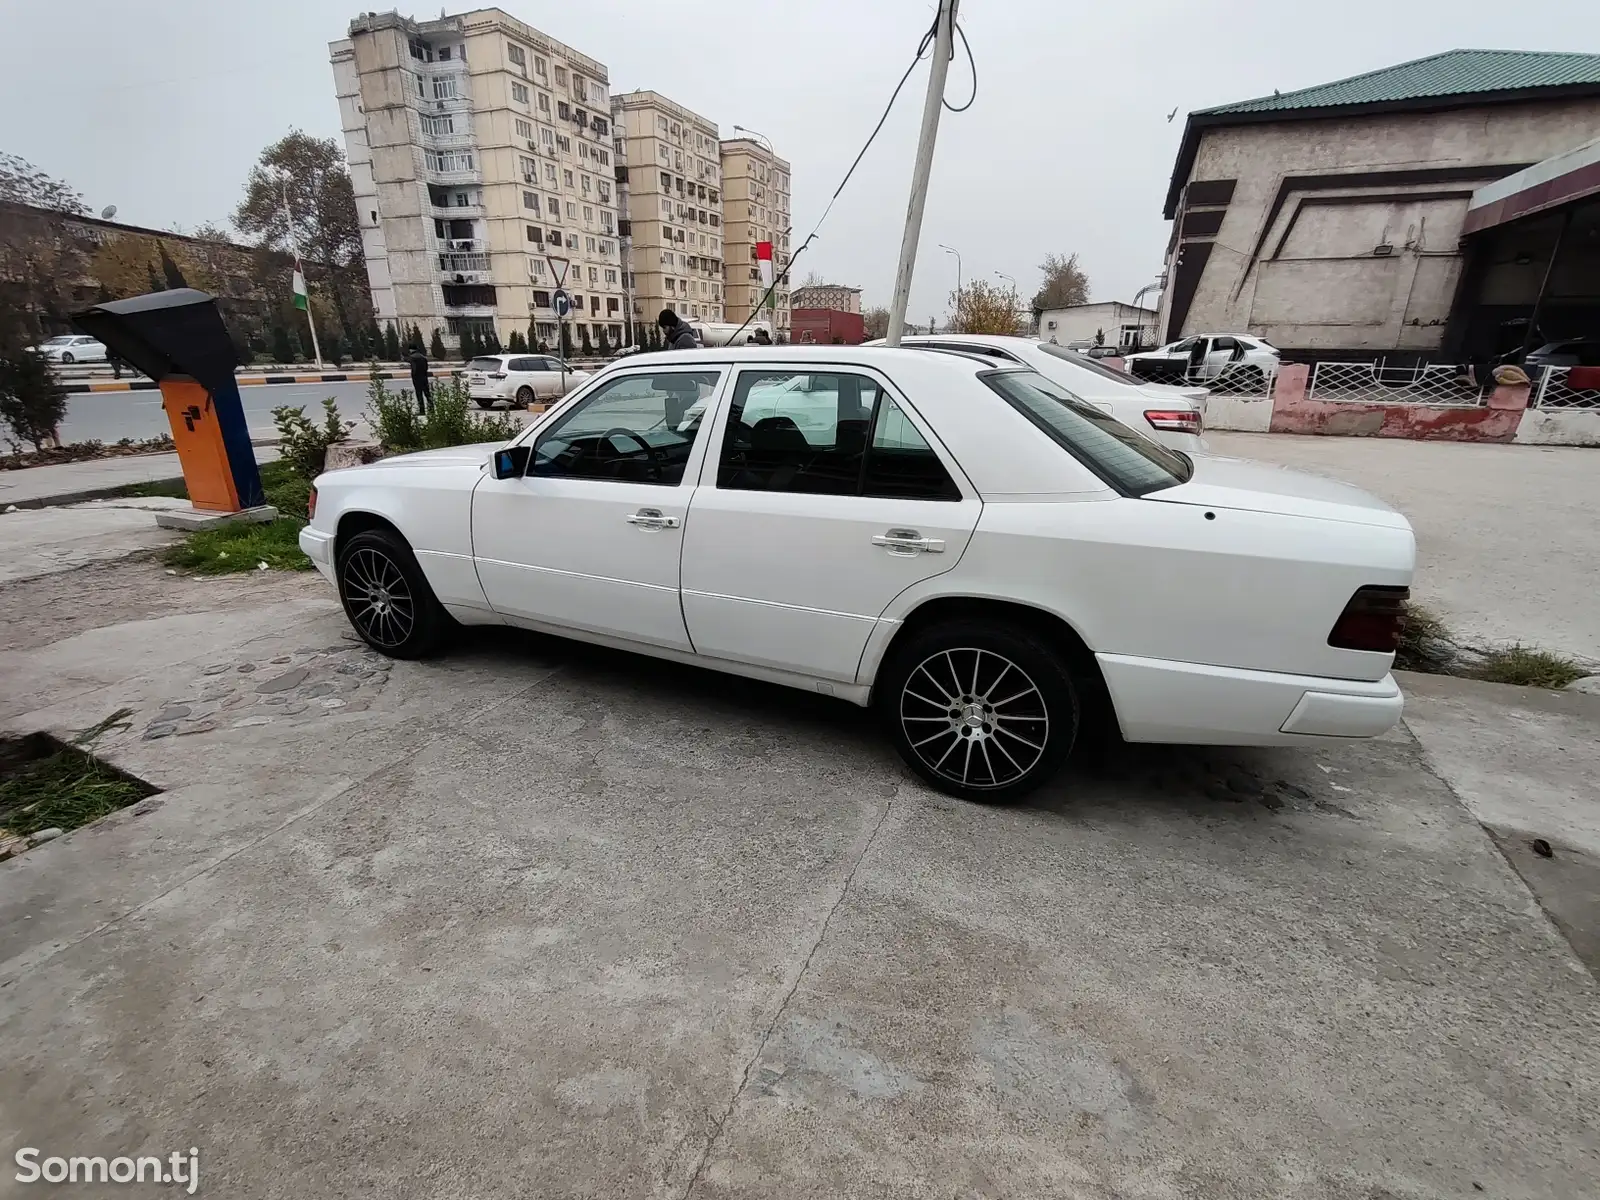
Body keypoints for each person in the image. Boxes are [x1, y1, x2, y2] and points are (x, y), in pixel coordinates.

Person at [407, 346, 432, 415]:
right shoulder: (423, 357)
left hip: (417, 378)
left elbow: (414, 369)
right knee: (427, 394)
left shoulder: (412, 357)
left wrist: (413, 376)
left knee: (419, 394)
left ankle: (422, 411)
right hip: (424, 377)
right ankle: (431, 409)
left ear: (411, 350)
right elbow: (426, 368)